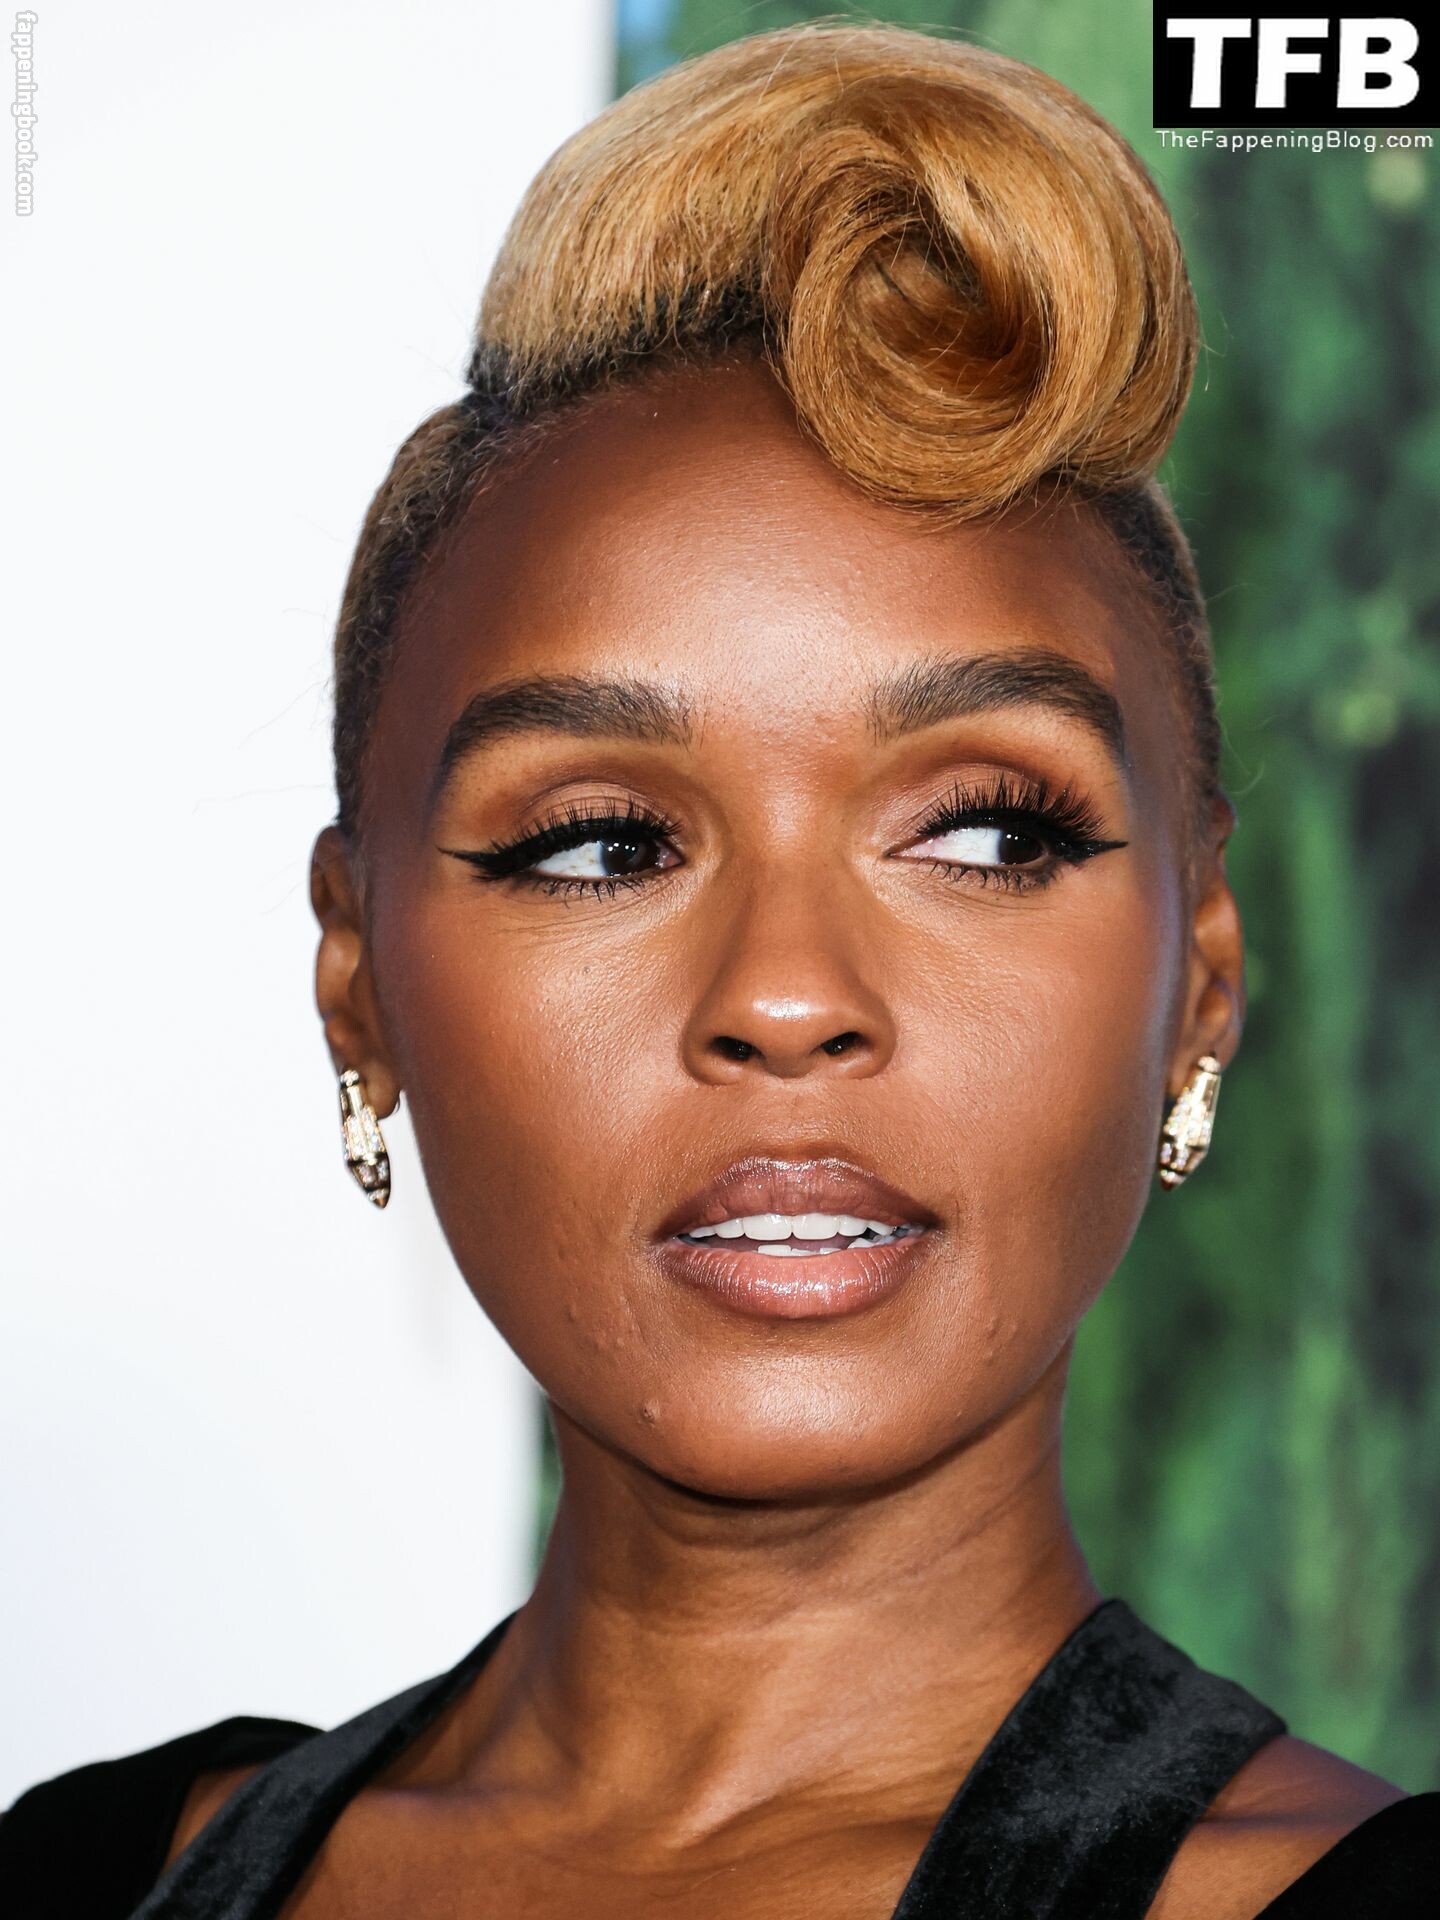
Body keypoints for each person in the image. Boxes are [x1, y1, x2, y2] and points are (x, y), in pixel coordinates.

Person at [2, 22, 1433, 1918]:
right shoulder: (83, 1877)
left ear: (1201, 982)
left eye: (984, 831)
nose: (784, 994)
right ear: (359, 981)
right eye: (603, 845)